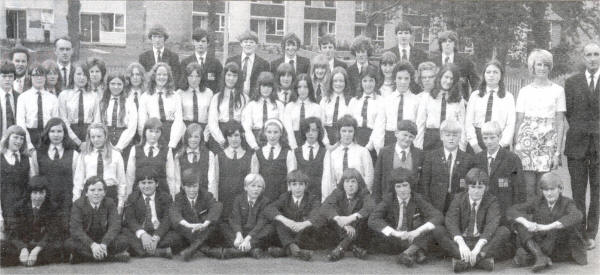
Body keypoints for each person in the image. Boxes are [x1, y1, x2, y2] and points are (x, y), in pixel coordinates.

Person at [433, 168, 512, 272]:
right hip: (462, 241)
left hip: (481, 242)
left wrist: (478, 248)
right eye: (473, 187)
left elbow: (491, 225)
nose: (476, 191)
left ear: (486, 188)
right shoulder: (458, 198)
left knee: (504, 231)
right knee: (438, 230)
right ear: (467, 187)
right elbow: (451, 220)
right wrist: (461, 244)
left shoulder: (492, 200)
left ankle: (466, 261)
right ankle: (480, 261)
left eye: (480, 187)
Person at [508, 173, 587, 272]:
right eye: (546, 190)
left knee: (555, 227)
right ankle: (539, 256)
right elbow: (512, 210)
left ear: (560, 189)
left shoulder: (567, 202)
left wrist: (547, 227)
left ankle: (531, 257)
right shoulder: (538, 201)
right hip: (543, 243)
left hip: (560, 247)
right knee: (520, 223)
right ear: (542, 191)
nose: (549, 193)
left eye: (552, 189)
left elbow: (577, 215)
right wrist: (527, 223)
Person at [514, 49, 566, 202]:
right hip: (527, 142)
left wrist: (557, 153)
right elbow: (519, 121)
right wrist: (516, 146)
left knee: (544, 186)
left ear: (550, 68)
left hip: (547, 142)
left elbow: (560, 122)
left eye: (545, 65)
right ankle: (529, 223)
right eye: (539, 64)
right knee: (528, 188)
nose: (542, 68)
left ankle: (543, 223)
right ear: (533, 67)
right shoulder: (524, 91)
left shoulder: (558, 91)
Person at [368, 168, 443, 268]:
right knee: (379, 233)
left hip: (413, 236)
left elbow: (438, 216)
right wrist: (396, 233)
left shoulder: (417, 198)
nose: (402, 190)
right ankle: (416, 251)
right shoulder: (389, 199)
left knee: (432, 230)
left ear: (411, 185)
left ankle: (406, 254)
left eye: (405, 185)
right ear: (393, 188)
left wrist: (417, 231)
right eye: (398, 186)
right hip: (396, 238)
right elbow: (373, 219)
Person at [564, 42, 600, 250]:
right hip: (577, 144)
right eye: (589, 54)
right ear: (583, 57)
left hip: (599, 146)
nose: (593, 58)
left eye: (596, 54)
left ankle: (591, 233)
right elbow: (569, 111)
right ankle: (579, 232)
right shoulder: (572, 82)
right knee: (577, 191)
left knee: (597, 192)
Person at [65, 176, 130, 264]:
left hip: (104, 240)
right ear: (86, 193)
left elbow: (115, 225)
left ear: (104, 192)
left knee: (124, 240)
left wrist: (104, 244)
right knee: (69, 244)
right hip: (87, 241)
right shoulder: (78, 204)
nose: (96, 193)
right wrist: (92, 245)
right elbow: (76, 229)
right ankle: (111, 257)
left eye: (100, 190)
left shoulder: (110, 203)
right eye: (92, 190)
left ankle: (85, 257)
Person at [122, 168, 183, 259]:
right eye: (143, 183)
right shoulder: (132, 198)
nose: (146, 186)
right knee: (125, 232)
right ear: (138, 184)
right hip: (141, 232)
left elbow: (167, 220)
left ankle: (141, 251)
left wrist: (156, 237)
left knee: (177, 236)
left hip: (158, 232)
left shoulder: (165, 197)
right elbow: (131, 220)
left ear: (157, 184)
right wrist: (143, 235)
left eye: (150, 182)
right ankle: (159, 252)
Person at [1, 176, 63, 266]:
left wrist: (37, 249)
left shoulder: (53, 207)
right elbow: (12, 232)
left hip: (41, 245)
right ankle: (29, 258)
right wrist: (23, 248)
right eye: (35, 193)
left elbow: (52, 233)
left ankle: (27, 259)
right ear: (29, 193)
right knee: (2, 248)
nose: (38, 197)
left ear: (46, 193)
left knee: (59, 248)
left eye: (41, 193)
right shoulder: (18, 207)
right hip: (23, 244)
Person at [264, 170, 324, 261]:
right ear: (289, 186)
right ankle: (295, 250)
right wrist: (286, 221)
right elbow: (269, 209)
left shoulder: (312, 198)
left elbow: (317, 213)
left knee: (311, 225)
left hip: (303, 235)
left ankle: (286, 251)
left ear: (305, 185)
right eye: (294, 184)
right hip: (289, 232)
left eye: (301, 184)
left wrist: (303, 224)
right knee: (278, 222)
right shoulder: (285, 197)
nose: (298, 188)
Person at [474, 121, 525, 221]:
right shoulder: (477, 159)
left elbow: (519, 189)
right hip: (482, 210)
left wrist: (514, 214)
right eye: (485, 138)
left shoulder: (512, 159)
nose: (489, 141)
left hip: (504, 210)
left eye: (492, 137)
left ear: (500, 136)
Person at [421, 120, 475, 213]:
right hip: (435, 205)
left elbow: (469, 186)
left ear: (460, 137)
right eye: (448, 135)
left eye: (455, 135)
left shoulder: (468, 159)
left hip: (458, 205)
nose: (451, 139)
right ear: (441, 136)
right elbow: (424, 184)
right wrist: (428, 207)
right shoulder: (431, 157)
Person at [170, 168, 223, 261]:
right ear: (183, 186)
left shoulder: (206, 194)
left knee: (213, 225)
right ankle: (206, 250)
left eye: (195, 186)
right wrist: (189, 225)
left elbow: (217, 206)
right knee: (179, 227)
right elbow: (174, 212)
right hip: (189, 231)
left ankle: (192, 249)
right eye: (188, 187)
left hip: (203, 229)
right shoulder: (179, 197)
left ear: (199, 185)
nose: (192, 190)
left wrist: (205, 224)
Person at [73, 123, 127, 214]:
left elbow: (122, 181)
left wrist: (121, 203)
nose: (96, 140)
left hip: (109, 193)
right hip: (90, 193)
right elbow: (78, 180)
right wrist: (76, 201)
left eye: (99, 136)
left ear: (105, 136)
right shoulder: (85, 154)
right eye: (92, 137)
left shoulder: (116, 155)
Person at [219, 174, 274, 259]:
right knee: (223, 225)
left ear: (262, 189)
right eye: (253, 186)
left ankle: (239, 251)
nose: (256, 189)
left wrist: (248, 239)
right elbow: (236, 218)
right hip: (241, 231)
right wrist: (238, 234)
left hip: (255, 234)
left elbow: (261, 223)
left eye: (259, 187)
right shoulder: (239, 199)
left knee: (270, 227)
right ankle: (251, 251)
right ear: (246, 187)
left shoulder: (265, 202)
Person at [36, 118, 79, 230]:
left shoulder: (73, 154)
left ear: (65, 133)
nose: (56, 135)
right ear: (47, 133)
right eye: (52, 131)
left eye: (59, 131)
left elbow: (76, 180)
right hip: (45, 202)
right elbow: (35, 178)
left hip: (66, 201)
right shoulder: (38, 153)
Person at [465, 60, 515, 153]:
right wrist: (475, 145)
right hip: (477, 141)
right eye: (488, 72)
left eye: (495, 72)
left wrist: (500, 145)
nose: (491, 75)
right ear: (484, 75)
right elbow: (468, 123)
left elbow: (510, 125)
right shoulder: (475, 96)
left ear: (501, 75)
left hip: (499, 141)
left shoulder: (508, 97)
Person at [321, 168, 371, 261]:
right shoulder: (338, 192)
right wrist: (341, 221)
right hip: (342, 230)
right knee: (330, 215)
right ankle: (353, 247)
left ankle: (340, 248)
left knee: (363, 218)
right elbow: (325, 206)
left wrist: (350, 218)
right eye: (347, 182)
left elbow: (370, 207)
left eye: (353, 182)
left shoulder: (364, 193)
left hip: (359, 232)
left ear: (359, 184)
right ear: (343, 184)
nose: (350, 185)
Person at [415, 64, 467, 151]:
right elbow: (420, 125)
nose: (448, 81)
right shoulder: (427, 97)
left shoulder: (458, 100)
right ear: (440, 77)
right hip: (430, 140)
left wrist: (462, 149)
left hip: (450, 139)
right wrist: (418, 148)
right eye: (446, 77)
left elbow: (462, 127)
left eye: (452, 78)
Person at [215, 121, 259, 222]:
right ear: (226, 137)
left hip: (242, 201)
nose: (234, 139)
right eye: (230, 136)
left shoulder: (250, 156)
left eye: (236, 135)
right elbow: (215, 181)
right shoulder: (219, 156)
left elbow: (253, 183)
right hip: (224, 200)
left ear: (242, 136)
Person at [322, 115, 374, 200]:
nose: (347, 134)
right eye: (344, 131)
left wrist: (361, 196)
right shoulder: (332, 153)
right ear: (339, 132)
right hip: (338, 197)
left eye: (350, 131)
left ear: (354, 133)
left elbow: (369, 177)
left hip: (360, 196)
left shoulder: (363, 152)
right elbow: (329, 180)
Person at [373, 120, 424, 203]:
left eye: (411, 136)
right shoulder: (384, 152)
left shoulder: (419, 154)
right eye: (405, 135)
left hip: (410, 200)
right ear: (396, 133)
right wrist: (377, 201)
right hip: (388, 199)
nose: (407, 139)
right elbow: (377, 179)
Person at [138, 62, 185, 149]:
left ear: (169, 77)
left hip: (171, 133)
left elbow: (178, 121)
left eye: (165, 75)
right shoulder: (145, 96)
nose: (162, 77)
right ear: (154, 76)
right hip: (153, 133)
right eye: (159, 74)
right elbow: (142, 122)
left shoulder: (175, 96)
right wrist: (148, 140)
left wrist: (172, 143)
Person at [127, 118, 176, 199]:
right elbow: (130, 176)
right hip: (139, 194)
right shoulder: (135, 149)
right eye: (151, 131)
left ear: (161, 133)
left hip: (161, 195)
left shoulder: (167, 151)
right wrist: (128, 196)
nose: (154, 135)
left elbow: (170, 177)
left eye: (157, 132)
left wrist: (172, 196)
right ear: (145, 132)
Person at [95, 73, 137, 166]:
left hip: (124, 142)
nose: (116, 87)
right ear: (108, 85)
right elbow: (98, 124)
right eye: (113, 84)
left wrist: (119, 147)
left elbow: (131, 128)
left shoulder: (130, 103)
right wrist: (106, 143)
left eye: (119, 84)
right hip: (105, 140)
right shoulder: (102, 102)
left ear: (123, 85)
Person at [375, 61, 421, 148]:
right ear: (394, 79)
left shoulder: (417, 101)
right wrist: (380, 149)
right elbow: (380, 126)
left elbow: (418, 126)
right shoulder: (386, 100)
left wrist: (416, 148)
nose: (403, 82)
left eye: (406, 78)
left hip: (409, 140)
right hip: (390, 139)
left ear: (410, 79)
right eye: (399, 78)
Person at [207, 62, 249, 152]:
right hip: (220, 133)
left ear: (238, 78)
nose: (231, 79)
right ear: (224, 76)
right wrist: (221, 140)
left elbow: (246, 121)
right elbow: (212, 122)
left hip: (238, 135)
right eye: (228, 75)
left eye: (234, 76)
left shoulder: (244, 98)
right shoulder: (216, 97)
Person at [16, 65, 59, 149]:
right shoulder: (23, 97)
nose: (39, 78)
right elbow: (21, 122)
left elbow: (55, 122)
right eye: (35, 75)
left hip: (47, 135)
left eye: (42, 75)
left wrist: (52, 140)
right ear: (30, 77)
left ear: (45, 77)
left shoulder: (52, 98)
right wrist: (28, 144)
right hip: (29, 134)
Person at [0, 125, 38, 220]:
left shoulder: (28, 159)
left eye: (21, 139)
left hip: (25, 210)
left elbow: (33, 185)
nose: (18, 141)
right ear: (7, 138)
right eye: (15, 137)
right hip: (6, 210)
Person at [58, 61, 98, 147]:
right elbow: (63, 119)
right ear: (72, 75)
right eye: (79, 74)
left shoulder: (94, 95)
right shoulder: (64, 95)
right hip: (70, 133)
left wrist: (91, 138)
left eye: (85, 75)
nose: (82, 77)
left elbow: (97, 119)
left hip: (90, 134)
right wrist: (76, 140)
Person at [242, 72, 286, 150]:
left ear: (273, 88)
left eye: (269, 86)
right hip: (255, 139)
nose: (266, 89)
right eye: (263, 86)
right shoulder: (251, 105)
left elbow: (282, 127)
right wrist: (254, 146)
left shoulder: (279, 105)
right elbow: (247, 128)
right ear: (259, 87)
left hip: (274, 139)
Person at [348, 64, 385, 158]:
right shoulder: (354, 101)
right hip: (355, 137)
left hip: (372, 138)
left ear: (376, 82)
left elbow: (379, 126)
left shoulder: (381, 101)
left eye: (371, 81)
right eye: (365, 81)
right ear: (360, 82)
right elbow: (349, 123)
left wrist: (369, 146)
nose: (368, 84)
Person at [256, 119, 297, 201]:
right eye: (269, 132)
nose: (272, 136)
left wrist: (288, 198)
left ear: (281, 133)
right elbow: (255, 178)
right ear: (264, 133)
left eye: (276, 132)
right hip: (263, 196)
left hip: (281, 196)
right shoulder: (258, 153)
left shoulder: (288, 153)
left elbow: (292, 177)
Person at [431, 30, 479, 100]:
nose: (447, 44)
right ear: (440, 44)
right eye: (444, 41)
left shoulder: (466, 62)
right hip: (437, 101)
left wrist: (471, 100)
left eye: (450, 41)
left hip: (459, 102)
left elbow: (476, 83)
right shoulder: (433, 62)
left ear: (454, 44)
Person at [284, 74, 327, 148]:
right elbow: (288, 130)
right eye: (299, 87)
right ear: (295, 89)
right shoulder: (289, 107)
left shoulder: (316, 107)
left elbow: (320, 129)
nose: (302, 90)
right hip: (293, 141)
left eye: (305, 87)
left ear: (310, 88)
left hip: (311, 142)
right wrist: (294, 147)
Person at [174, 123, 217, 196]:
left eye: (196, 137)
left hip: (204, 196)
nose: (193, 140)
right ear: (186, 138)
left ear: (201, 138)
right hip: (185, 197)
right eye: (190, 137)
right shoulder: (179, 156)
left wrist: (211, 200)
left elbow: (212, 181)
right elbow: (177, 182)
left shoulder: (209, 155)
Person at [226, 30, 270, 95]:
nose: (248, 44)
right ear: (241, 44)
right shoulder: (231, 61)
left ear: (256, 45)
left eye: (251, 42)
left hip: (255, 99)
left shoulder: (264, 64)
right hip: (234, 96)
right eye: (245, 42)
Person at [293, 117, 327, 202]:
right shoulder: (296, 152)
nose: (310, 133)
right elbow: (292, 177)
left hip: (318, 195)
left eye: (314, 130)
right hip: (301, 196)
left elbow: (326, 178)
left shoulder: (325, 152)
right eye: (307, 130)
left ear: (319, 132)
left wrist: (324, 198)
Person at [180, 27, 222, 92]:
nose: (200, 44)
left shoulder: (216, 63)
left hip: (210, 98)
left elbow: (220, 83)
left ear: (208, 43)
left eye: (203, 41)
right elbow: (182, 83)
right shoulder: (185, 62)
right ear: (193, 42)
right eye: (197, 41)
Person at [320, 67, 352, 145]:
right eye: (335, 81)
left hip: (344, 138)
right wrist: (326, 144)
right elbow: (321, 125)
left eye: (341, 81)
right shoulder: (324, 100)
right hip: (326, 137)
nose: (338, 84)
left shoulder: (351, 101)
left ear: (345, 83)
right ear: (331, 82)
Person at [178, 62, 213, 131]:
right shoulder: (179, 93)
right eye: (191, 76)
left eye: (197, 76)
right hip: (185, 127)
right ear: (186, 77)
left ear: (201, 77)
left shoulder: (208, 93)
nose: (194, 80)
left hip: (203, 127)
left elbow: (211, 115)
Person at [0, 61, 18, 136]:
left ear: (14, 78)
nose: (7, 79)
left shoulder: (19, 97)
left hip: (15, 141)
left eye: (10, 76)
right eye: (4, 76)